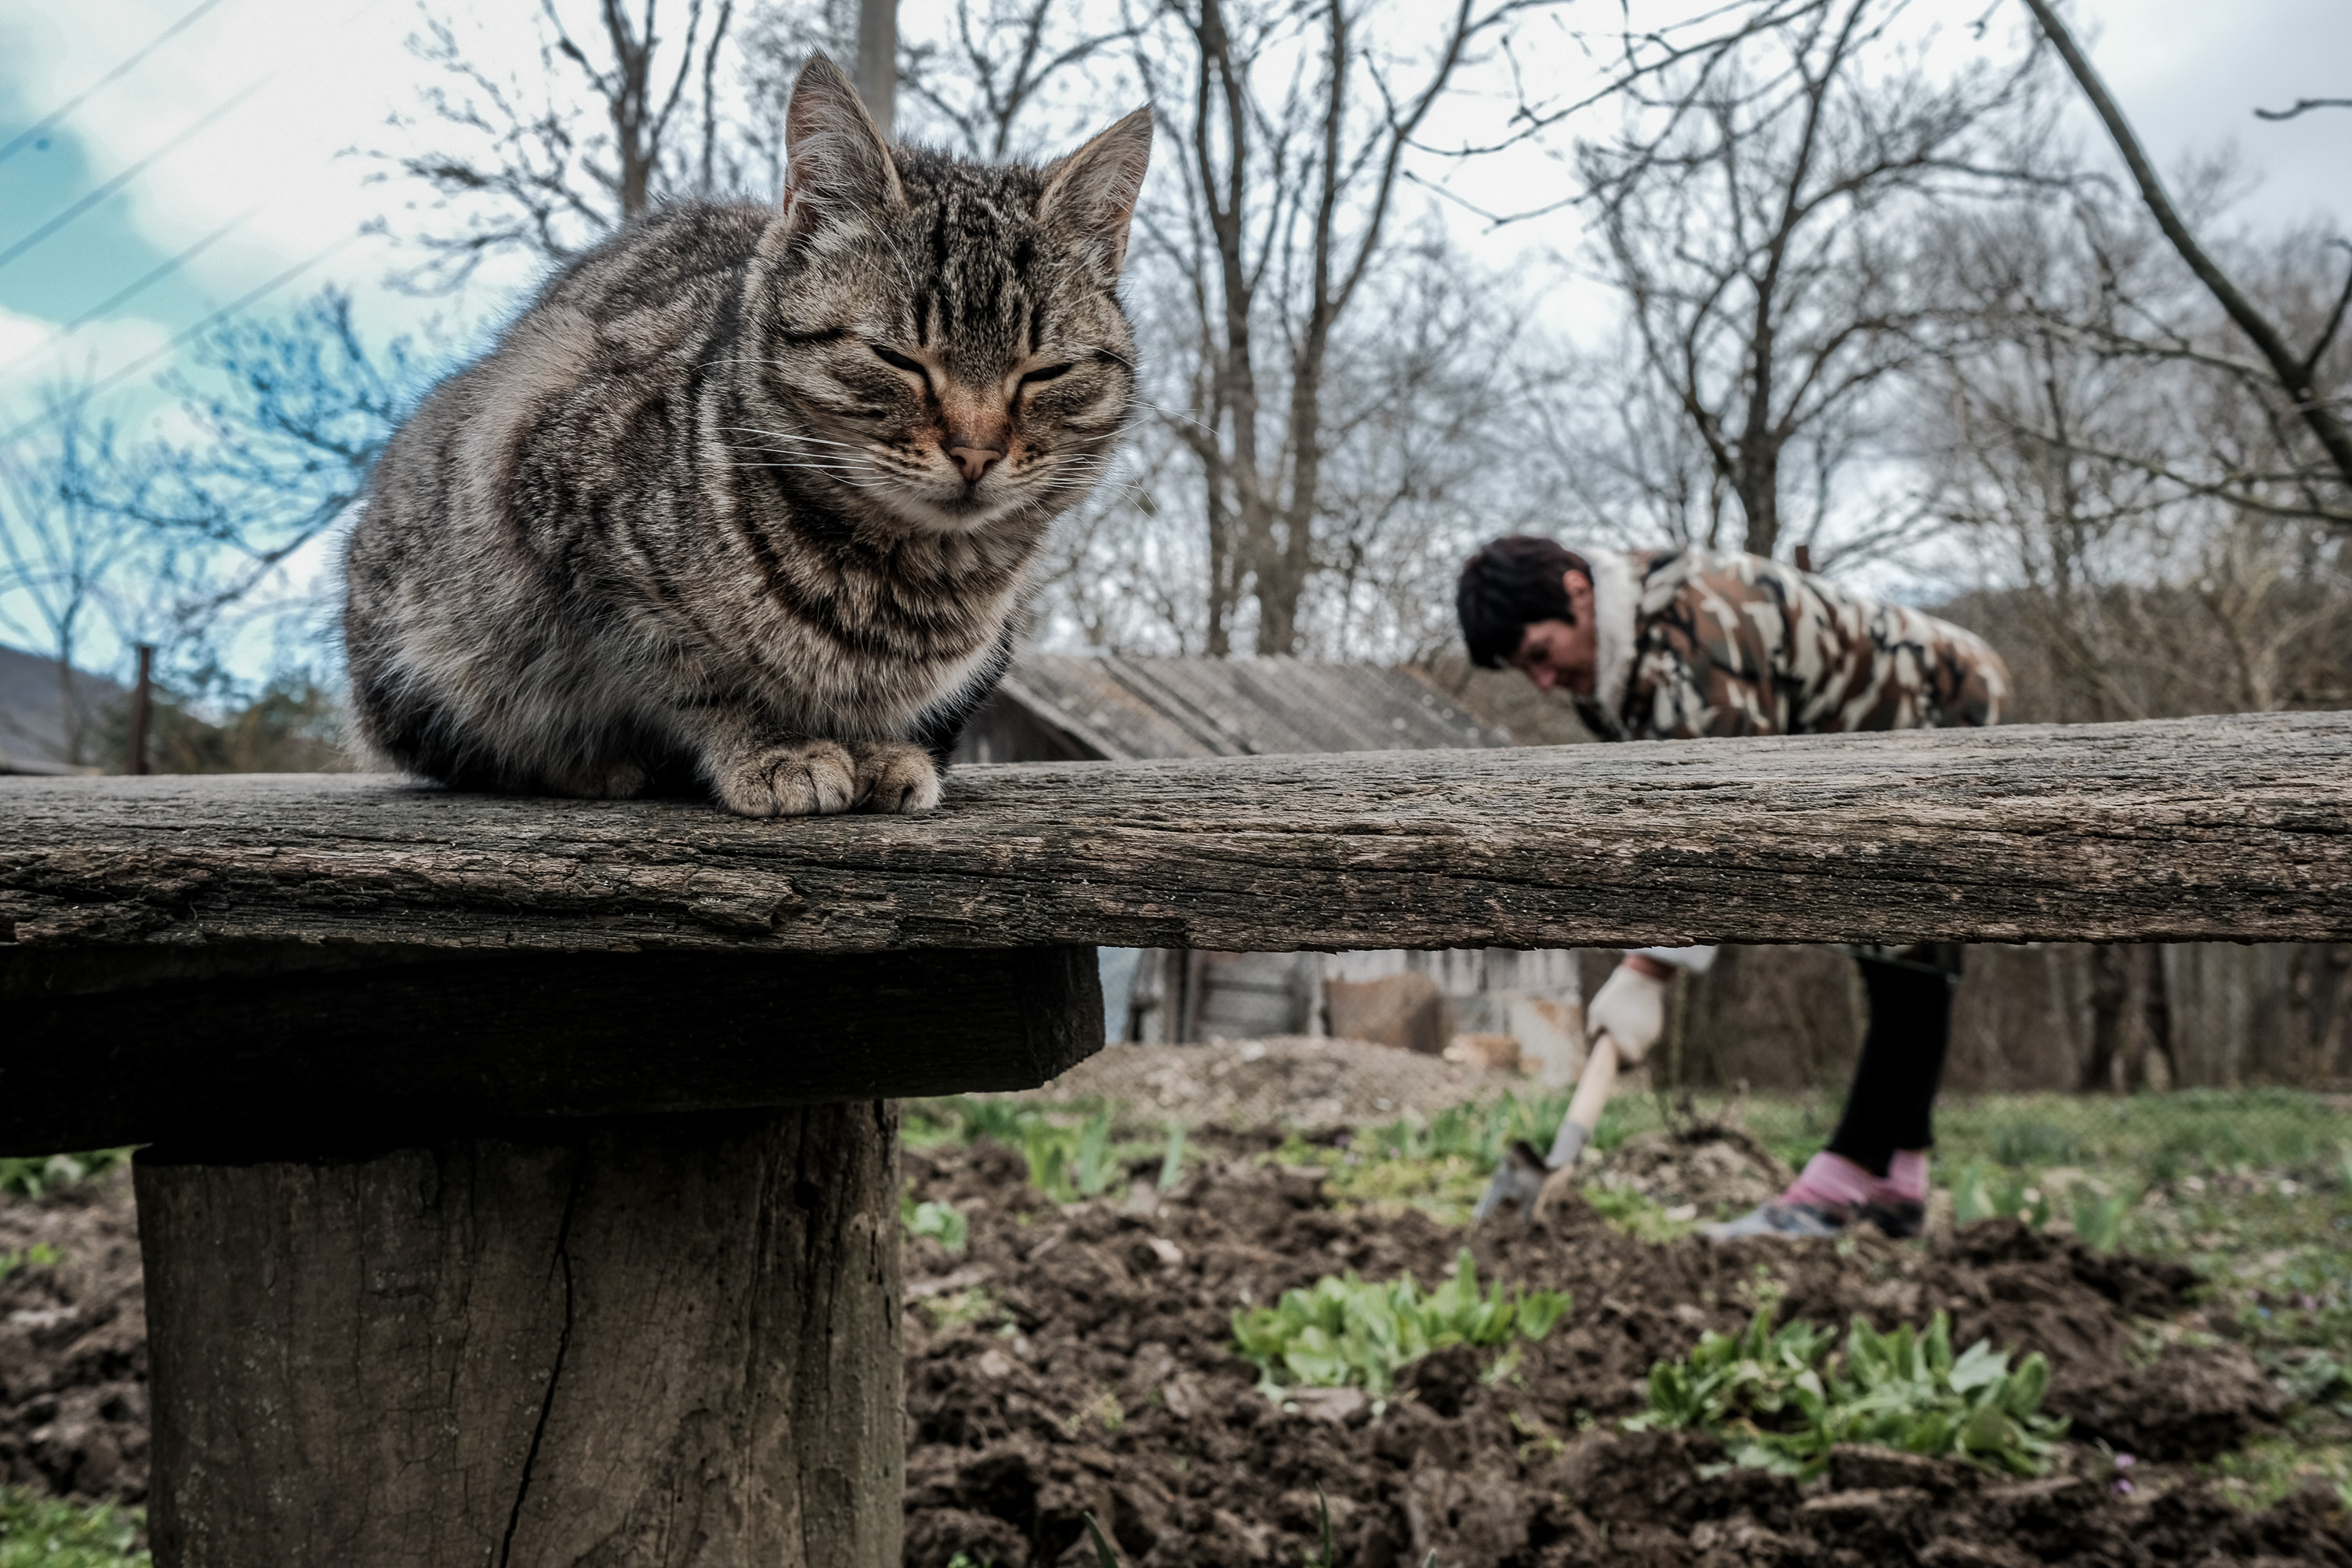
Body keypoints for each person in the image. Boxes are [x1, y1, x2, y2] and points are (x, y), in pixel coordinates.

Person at [1456, 535, 2008, 1239]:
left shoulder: (1697, 631)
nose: (1541, 681)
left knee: (1904, 945)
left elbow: (1720, 822)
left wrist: (1647, 968)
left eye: (1540, 652)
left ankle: (1845, 1184)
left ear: (1578, 591)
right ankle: (1898, 1183)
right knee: (1895, 954)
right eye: (1520, 669)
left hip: (1938, 704)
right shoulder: (1620, 659)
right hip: (1844, 741)